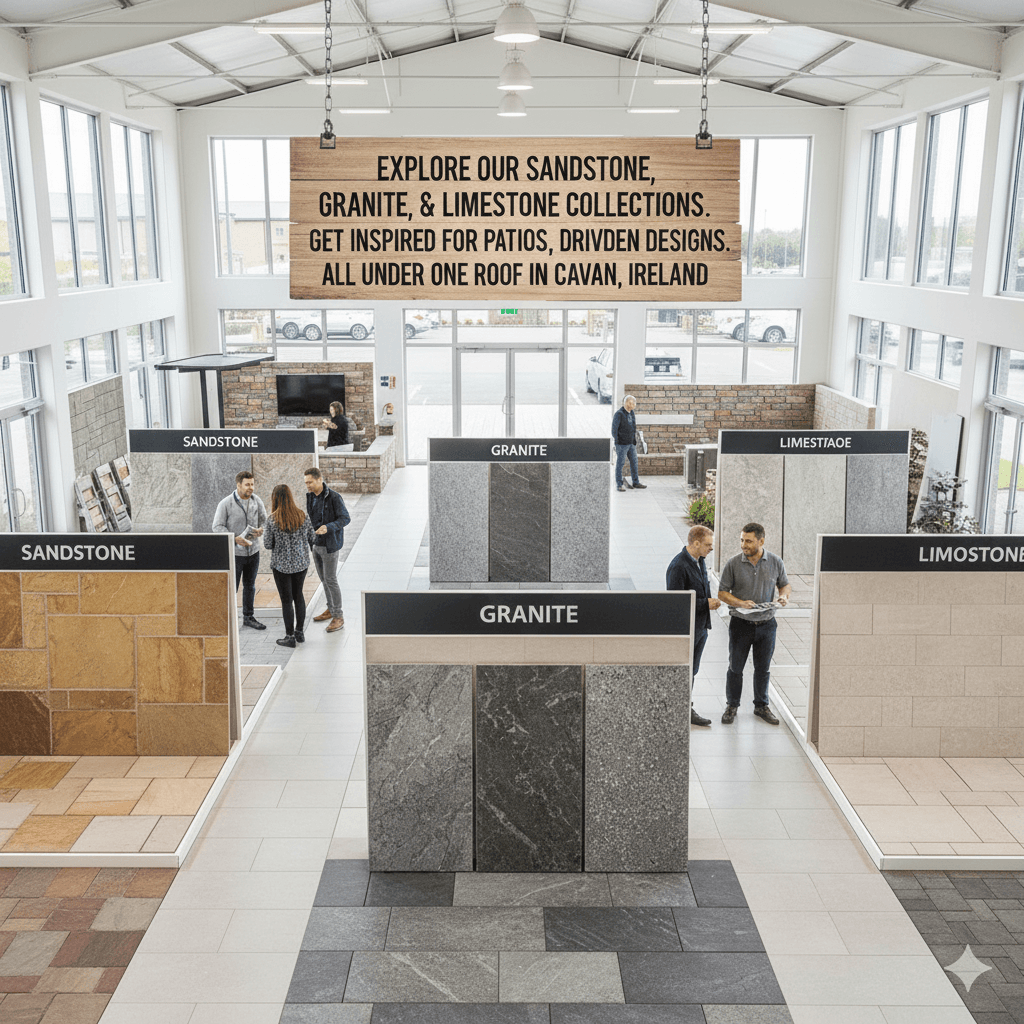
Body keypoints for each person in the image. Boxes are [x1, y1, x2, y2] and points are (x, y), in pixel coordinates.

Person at [717, 522, 791, 725]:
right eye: (742, 540)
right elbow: (722, 592)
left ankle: (761, 706)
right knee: (735, 667)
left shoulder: (775, 562)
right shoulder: (733, 563)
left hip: (767, 625)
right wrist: (740, 603)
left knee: (763, 668)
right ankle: (732, 705)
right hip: (741, 625)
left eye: (748, 541)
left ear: (761, 541)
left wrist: (784, 596)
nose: (743, 545)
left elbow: (784, 584)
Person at [666, 524, 722, 727]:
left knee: (693, 670)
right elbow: (675, 603)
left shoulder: (700, 560)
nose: (711, 548)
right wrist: (706, 603)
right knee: (685, 670)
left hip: (700, 627)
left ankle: (684, 706)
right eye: (708, 544)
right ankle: (682, 709)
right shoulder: (678, 566)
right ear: (696, 543)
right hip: (687, 629)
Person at [262, 483, 317, 648]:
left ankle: (289, 636)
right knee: (298, 595)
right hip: (301, 564)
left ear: (275, 499)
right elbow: (312, 538)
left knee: (286, 600)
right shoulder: (302, 515)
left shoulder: (272, 520)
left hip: (281, 566)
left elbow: (267, 544)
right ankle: (300, 632)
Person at [212, 469, 267, 631]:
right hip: (235, 554)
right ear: (238, 485)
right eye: (247, 485)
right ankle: (227, 618)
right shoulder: (225, 503)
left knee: (250, 586)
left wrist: (261, 530)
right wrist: (235, 538)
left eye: (252, 484)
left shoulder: (257, 501)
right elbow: (217, 527)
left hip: (253, 552)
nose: (251, 488)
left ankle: (248, 617)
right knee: (232, 587)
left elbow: (264, 521)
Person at [304, 467, 351, 633]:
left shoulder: (334, 497)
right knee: (324, 580)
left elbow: (345, 518)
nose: (307, 485)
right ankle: (331, 609)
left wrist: (328, 527)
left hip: (330, 546)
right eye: (306, 483)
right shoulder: (310, 496)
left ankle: (338, 616)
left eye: (309, 482)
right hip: (316, 545)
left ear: (319, 479)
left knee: (331, 579)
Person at [611, 394, 646, 493]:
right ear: (626, 403)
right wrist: (618, 441)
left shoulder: (632, 413)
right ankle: (619, 484)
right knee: (620, 464)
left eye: (634, 403)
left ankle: (636, 482)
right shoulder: (619, 414)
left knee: (634, 462)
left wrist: (634, 440)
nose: (634, 405)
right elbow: (614, 430)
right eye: (632, 403)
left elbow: (633, 427)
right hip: (622, 444)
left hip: (631, 444)